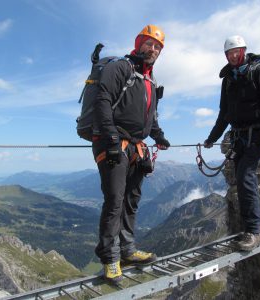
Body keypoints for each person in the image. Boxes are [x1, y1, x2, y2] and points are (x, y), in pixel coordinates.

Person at [92, 24, 170, 283]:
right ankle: (110, 258)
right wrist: (112, 138)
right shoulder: (121, 68)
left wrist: (158, 137)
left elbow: (150, 115)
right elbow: (102, 100)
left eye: (158, 46)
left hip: (135, 146)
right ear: (139, 43)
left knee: (132, 200)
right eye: (149, 43)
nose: (154, 49)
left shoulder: (149, 80)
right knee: (114, 201)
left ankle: (127, 250)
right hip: (112, 143)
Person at [204, 35, 260, 251]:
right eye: (229, 53)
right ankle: (251, 227)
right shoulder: (228, 79)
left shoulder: (259, 71)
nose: (233, 55)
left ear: (244, 51)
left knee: (245, 177)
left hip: (257, 135)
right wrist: (212, 138)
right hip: (239, 137)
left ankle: (254, 231)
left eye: (237, 51)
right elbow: (224, 113)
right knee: (242, 178)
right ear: (226, 55)